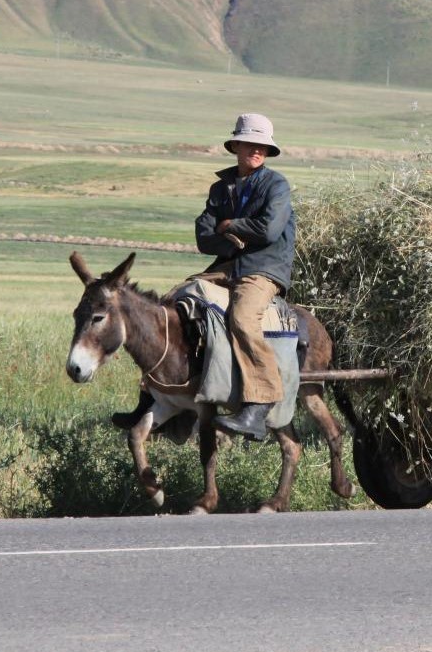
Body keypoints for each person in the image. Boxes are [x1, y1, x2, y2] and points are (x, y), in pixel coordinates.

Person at [108, 113, 296, 439]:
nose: (256, 150)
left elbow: (269, 230)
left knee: (242, 316)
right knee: (169, 306)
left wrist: (229, 226)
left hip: (265, 268)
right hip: (226, 267)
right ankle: (150, 397)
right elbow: (203, 238)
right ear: (236, 145)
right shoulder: (221, 188)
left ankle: (258, 405)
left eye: (263, 146)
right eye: (251, 143)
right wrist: (228, 235)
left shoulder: (276, 185)